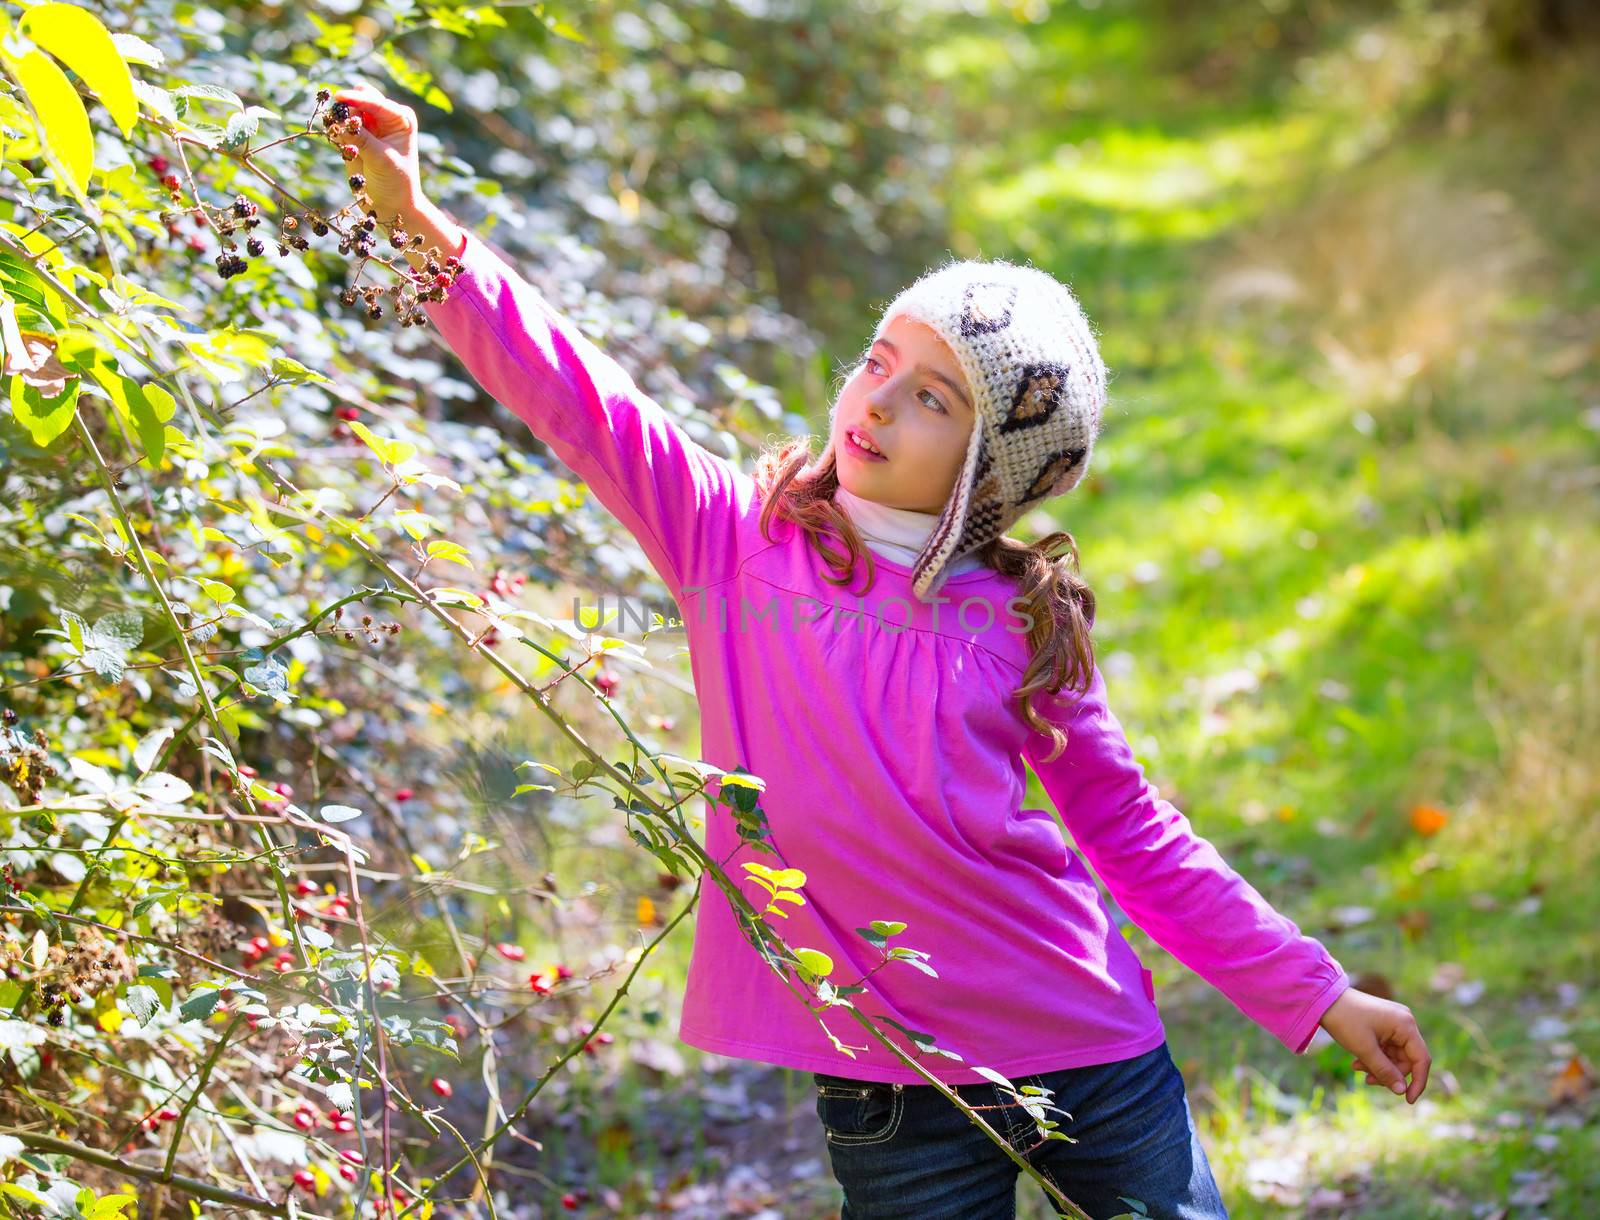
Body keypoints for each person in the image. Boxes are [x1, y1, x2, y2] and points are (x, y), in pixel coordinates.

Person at [331, 82, 1433, 1220]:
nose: (877, 402)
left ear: (991, 468)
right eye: (877, 362)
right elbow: (576, 391)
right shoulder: (727, 539)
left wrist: (1316, 993)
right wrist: (417, 221)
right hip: (886, 1072)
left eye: (933, 399)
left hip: (1082, 1034)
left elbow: (1134, 836)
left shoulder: (1016, 621)